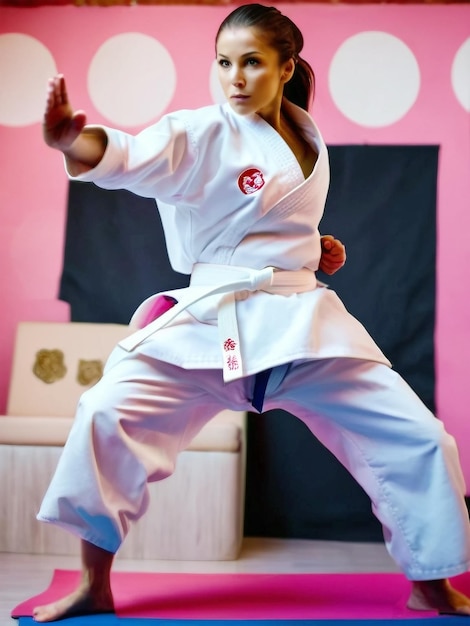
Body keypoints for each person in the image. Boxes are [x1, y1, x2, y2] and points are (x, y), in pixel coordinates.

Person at [31, 4, 470, 622]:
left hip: (300, 324)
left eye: (252, 63)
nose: (234, 77)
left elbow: (270, 223)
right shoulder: (199, 132)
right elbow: (127, 153)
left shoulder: (304, 137)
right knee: (104, 412)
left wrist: (314, 248)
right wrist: (74, 141)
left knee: (419, 438)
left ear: (286, 68)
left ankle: (431, 581)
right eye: (224, 62)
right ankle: (91, 583)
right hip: (209, 327)